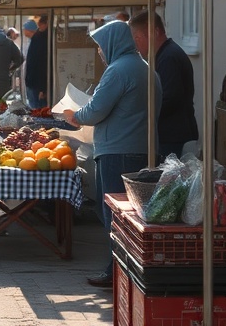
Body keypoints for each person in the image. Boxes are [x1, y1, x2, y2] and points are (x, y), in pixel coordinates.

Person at [63, 20, 161, 289]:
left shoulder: (118, 70)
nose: (99, 52)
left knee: (115, 214)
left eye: (100, 46)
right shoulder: (146, 68)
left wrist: (76, 116)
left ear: (112, 44)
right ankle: (127, 268)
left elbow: (96, 110)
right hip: (143, 149)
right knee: (134, 215)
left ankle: (116, 270)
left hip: (118, 151)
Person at [129, 10, 198, 159]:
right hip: (171, 134)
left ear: (154, 32)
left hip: (173, 136)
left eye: (137, 38)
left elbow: (169, 98)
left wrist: (141, 114)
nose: (136, 44)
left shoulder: (169, 57)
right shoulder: (164, 55)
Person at [24, 15, 50, 109]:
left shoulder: (39, 40)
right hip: (35, 82)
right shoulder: (39, 39)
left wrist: (42, 88)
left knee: (37, 109)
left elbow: (40, 64)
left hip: (35, 83)